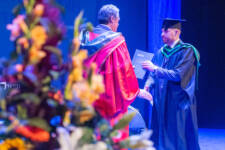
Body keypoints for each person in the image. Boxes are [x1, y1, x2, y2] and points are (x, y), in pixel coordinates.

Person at [81, 4, 149, 130]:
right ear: (112, 19)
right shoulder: (117, 41)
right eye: (117, 21)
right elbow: (122, 73)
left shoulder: (84, 38)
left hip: (87, 96)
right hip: (108, 98)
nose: (117, 25)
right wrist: (138, 91)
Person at [142, 18, 201, 150]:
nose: (162, 34)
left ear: (176, 32)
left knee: (177, 137)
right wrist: (148, 84)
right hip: (161, 101)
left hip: (178, 102)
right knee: (159, 135)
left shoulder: (187, 51)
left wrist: (155, 69)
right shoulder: (161, 52)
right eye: (161, 31)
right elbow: (153, 74)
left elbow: (178, 74)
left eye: (166, 31)